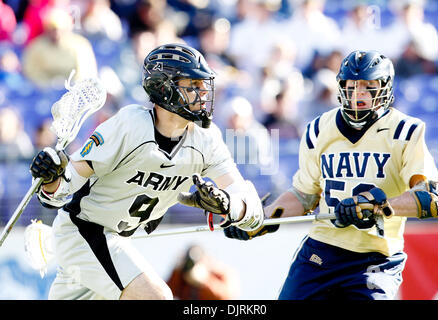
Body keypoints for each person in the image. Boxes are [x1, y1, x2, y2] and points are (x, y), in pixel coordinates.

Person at [29, 43, 264, 300]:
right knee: (157, 297)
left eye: (203, 85)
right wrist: (51, 176)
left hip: (116, 238)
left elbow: (247, 203)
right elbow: (61, 190)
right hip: (83, 231)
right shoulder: (130, 125)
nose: (203, 93)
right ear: (164, 88)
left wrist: (229, 205)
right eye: (192, 85)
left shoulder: (207, 139)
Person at [223, 50, 438, 300]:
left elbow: (433, 199)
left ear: (384, 88)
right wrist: (259, 220)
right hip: (322, 252)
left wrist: (378, 206)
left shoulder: (405, 131)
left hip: (377, 260)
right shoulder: (318, 129)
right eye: (351, 86)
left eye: (368, 86)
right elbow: (303, 196)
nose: (358, 94)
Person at [166, 244, 240, 300]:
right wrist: (177, 271)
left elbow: (227, 296)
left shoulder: (220, 271)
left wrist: (204, 281)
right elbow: (167, 293)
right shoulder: (181, 275)